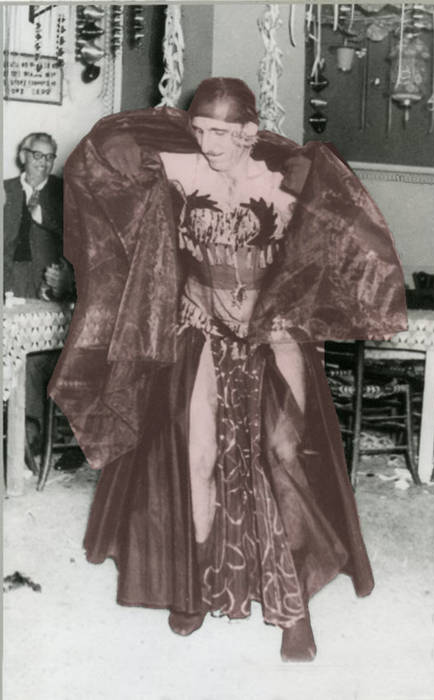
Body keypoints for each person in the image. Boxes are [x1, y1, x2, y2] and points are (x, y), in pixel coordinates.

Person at [49, 78, 408, 661]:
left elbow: (331, 249)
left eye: (221, 131)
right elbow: (100, 152)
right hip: (199, 331)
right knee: (198, 455)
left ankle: (295, 606)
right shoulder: (182, 168)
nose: (208, 143)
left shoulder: (285, 180)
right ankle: (192, 588)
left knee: (284, 453)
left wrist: (289, 303)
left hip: (272, 335)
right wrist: (170, 121)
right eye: (200, 129)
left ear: (248, 132)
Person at [3, 133, 84, 470]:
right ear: (24, 156)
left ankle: (31, 435)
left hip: (49, 289)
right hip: (11, 285)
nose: (44, 163)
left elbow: (78, 242)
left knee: (35, 361)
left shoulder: (64, 193)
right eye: (38, 155)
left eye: (50, 157)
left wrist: (65, 277)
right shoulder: (6, 190)